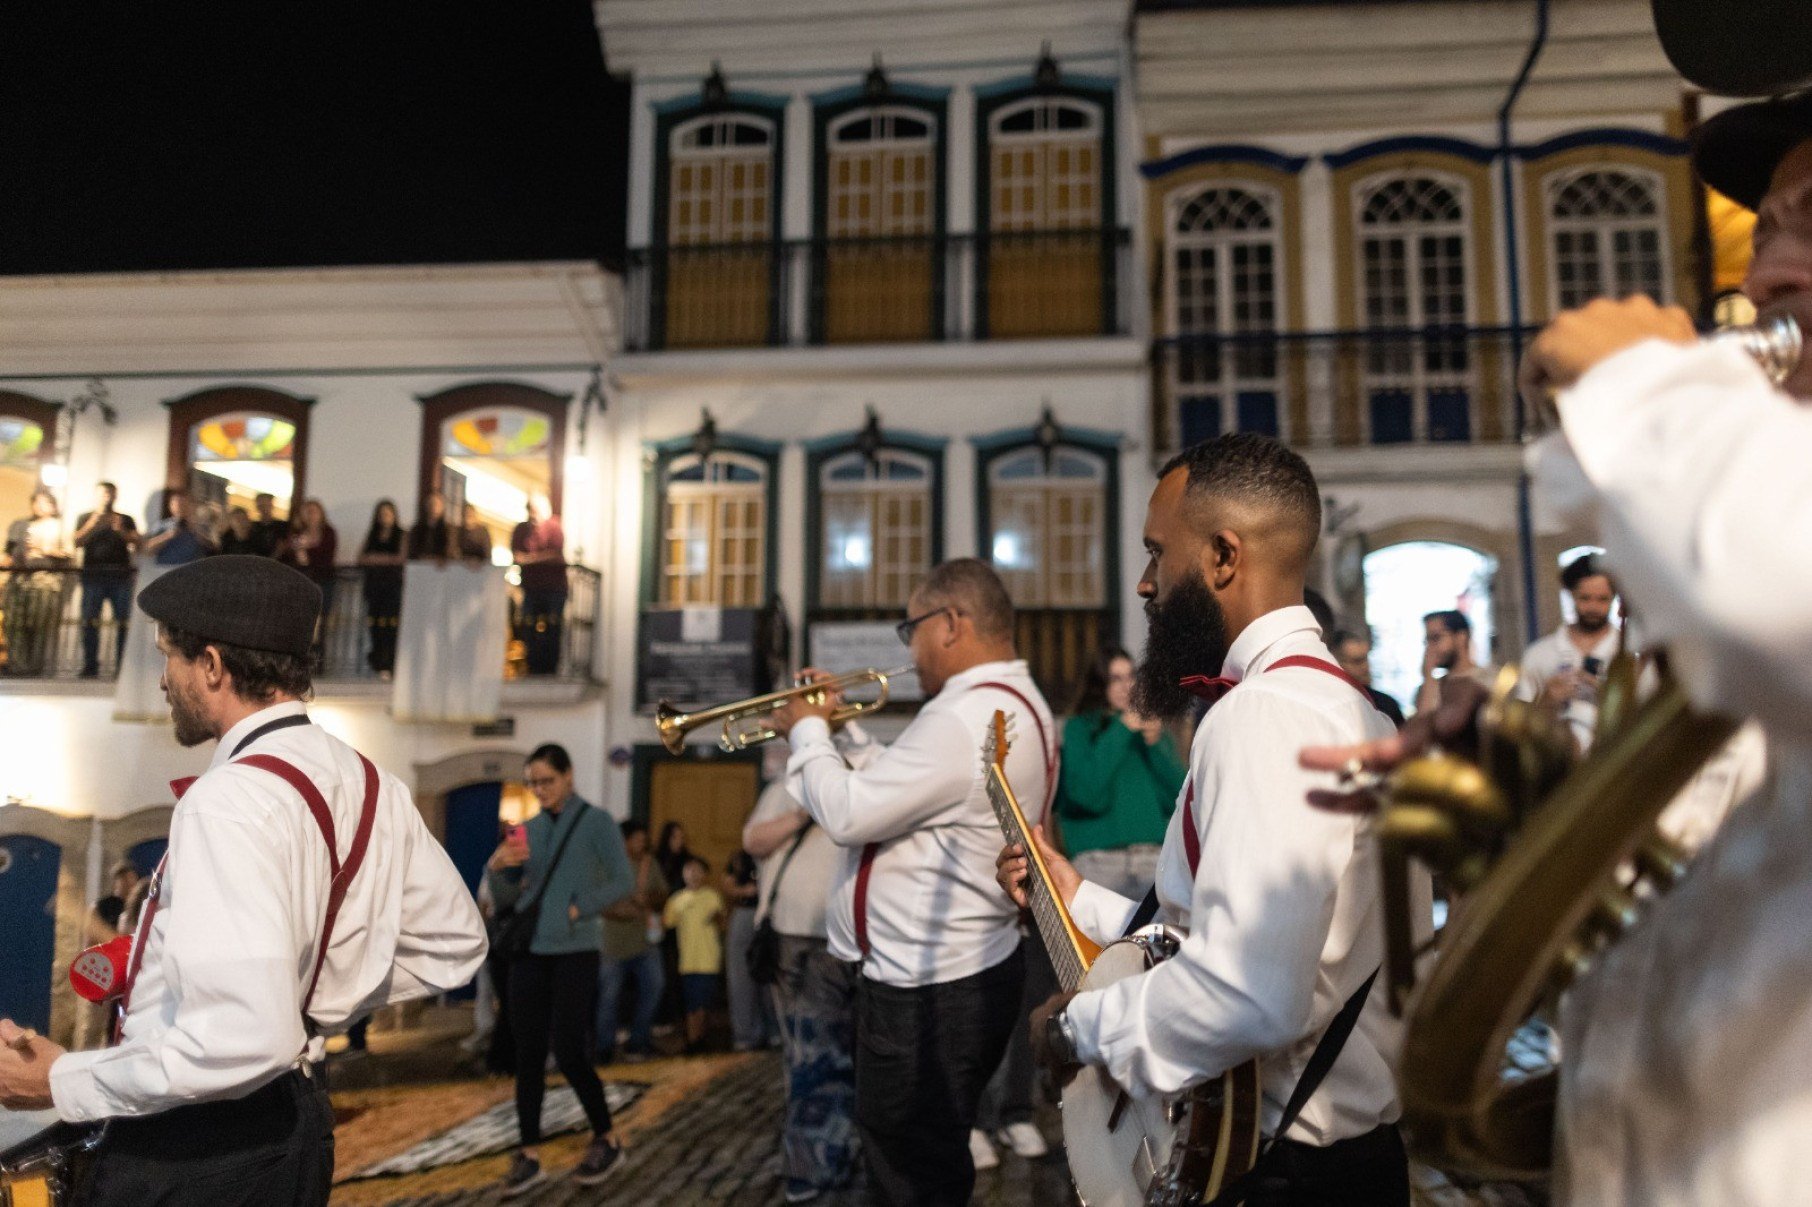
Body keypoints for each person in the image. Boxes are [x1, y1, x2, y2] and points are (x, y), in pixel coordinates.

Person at [998, 433, 1426, 1205]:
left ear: (1224, 556)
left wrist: (1077, 1030)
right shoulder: (1353, 713)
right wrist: (1078, 895)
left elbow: (1249, 992)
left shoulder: (1262, 716)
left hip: (1285, 1174)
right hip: (1340, 1162)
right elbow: (1227, 928)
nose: (1143, 582)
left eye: (1158, 553)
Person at [0, 555, 488, 1205]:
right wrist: (306, 1000)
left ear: (211, 665)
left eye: (166, 656)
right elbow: (456, 942)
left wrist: (62, 1079)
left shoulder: (227, 799)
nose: (162, 681)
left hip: (200, 1146)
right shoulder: (371, 781)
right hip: (295, 1124)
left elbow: (238, 1040)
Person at [770, 557, 1055, 1206]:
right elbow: (913, 789)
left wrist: (807, 730)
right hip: (960, 974)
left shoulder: (961, 717)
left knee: (907, 1173)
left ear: (951, 623)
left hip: (926, 992)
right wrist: (849, 734)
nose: (911, 648)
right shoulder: (1009, 703)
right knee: (927, 1161)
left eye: (912, 628)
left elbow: (847, 813)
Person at [484, 743, 632, 1197]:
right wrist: (495, 868)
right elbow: (509, 900)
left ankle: (606, 1136)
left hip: (574, 950)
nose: (540, 790)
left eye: (547, 781)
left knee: (569, 1051)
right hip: (529, 951)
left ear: (568, 776)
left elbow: (623, 880)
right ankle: (529, 1154)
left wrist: (579, 908)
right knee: (527, 1055)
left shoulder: (596, 822)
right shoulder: (524, 831)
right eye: (533, 782)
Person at [743, 743, 860, 1203]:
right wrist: (804, 811)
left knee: (831, 1054)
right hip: (793, 938)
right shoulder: (784, 788)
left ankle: (828, 1152)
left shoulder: (856, 787)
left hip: (841, 939)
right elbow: (753, 841)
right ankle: (812, 1165)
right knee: (809, 1056)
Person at [1053, 644, 1187, 898]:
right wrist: (1121, 729)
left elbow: (1177, 799)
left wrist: (1156, 745)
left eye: (1131, 676)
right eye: (1116, 679)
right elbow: (1086, 795)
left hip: (1151, 860)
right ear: (1099, 683)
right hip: (1100, 863)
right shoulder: (1079, 728)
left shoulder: (1149, 730)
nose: (1127, 686)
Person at [1515, 552, 1620, 753]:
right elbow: (1519, 723)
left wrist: (1610, 697)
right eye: (1585, 598)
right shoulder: (1539, 654)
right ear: (1571, 595)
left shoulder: (1631, 653)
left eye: (1602, 599)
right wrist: (1547, 700)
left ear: (1614, 597)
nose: (1593, 607)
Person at [596, 819, 668, 1064]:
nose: (641, 843)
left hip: (645, 942)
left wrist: (644, 899)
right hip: (613, 944)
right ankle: (604, 1046)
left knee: (655, 986)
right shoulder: (608, 866)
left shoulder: (650, 864)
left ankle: (639, 1040)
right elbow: (600, 903)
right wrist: (622, 910)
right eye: (636, 838)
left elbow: (662, 895)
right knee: (609, 996)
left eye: (643, 839)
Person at [3, 486, 74, 676]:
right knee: (14, 624)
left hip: (45, 582)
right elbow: (8, 553)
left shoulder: (60, 527)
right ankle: (18, 665)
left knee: (40, 626)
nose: (40, 506)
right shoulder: (20, 525)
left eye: (45, 502)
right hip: (18, 581)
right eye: (37, 502)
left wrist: (43, 549)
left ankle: (35, 668)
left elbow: (68, 554)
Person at [73, 481, 140, 678]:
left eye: (110, 494)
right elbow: (76, 541)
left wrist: (121, 531)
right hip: (93, 576)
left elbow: (138, 541)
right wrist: (93, 524)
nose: (107, 497)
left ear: (115, 496)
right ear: (96, 496)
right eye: (103, 494)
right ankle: (90, 666)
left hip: (120, 577)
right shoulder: (85, 517)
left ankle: (122, 667)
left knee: (122, 622)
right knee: (90, 621)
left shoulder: (125, 519)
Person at [74, 861, 142, 1050]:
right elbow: (89, 942)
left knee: (115, 1026)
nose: (130, 884)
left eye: (132, 880)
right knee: (92, 1027)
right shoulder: (101, 906)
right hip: (101, 974)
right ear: (116, 882)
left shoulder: (134, 909)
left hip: (123, 979)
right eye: (125, 880)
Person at [662, 854, 725, 1053]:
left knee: (704, 1003)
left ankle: (701, 1037)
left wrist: (718, 918)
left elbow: (722, 922)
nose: (694, 874)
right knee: (691, 1003)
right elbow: (666, 924)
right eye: (689, 870)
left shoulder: (712, 896)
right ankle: (692, 1040)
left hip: (709, 960)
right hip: (688, 962)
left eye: (698, 870)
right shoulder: (676, 900)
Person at [723, 846, 776, 1051]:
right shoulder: (740, 857)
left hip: (771, 915)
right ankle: (746, 1034)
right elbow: (727, 883)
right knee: (740, 977)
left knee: (770, 975)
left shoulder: (777, 852)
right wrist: (745, 891)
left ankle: (773, 1031)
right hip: (745, 912)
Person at [511, 492, 567, 676]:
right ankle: (532, 664)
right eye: (530, 510)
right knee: (528, 624)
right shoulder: (521, 530)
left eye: (535, 510)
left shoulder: (554, 527)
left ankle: (550, 666)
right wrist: (530, 559)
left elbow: (555, 552)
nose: (532, 514)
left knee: (552, 625)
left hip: (554, 588)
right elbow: (518, 555)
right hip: (531, 587)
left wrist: (531, 559)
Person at [280, 499, 338, 670]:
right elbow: (295, 557)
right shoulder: (297, 532)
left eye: (314, 511)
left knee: (320, 623)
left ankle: (317, 663)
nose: (310, 515)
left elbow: (325, 557)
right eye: (307, 511)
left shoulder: (328, 533)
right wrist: (301, 551)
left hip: (322, 581)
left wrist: (307, 551)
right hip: (301, 581)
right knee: (299, 621)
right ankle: (297, 662)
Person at [357, 500, 406, 678]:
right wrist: (385, 559)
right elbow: (361, 558)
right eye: (382, 513)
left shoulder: (401, 535)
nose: (385, 517)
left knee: (391, 625)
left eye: (388, 513)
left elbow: (400, 559)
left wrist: (376, 558)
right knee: (375, 625)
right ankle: (377, 660)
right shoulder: (372, 534)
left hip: (392, 587)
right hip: (374, 586)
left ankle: (390, 661)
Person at [1414, 609, 1493, 716]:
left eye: (1436, 638)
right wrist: (1428, 677)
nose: (1429, 648)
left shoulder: (1489, 680)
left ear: (1461, 637)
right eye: (1427, 641)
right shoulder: (1430, 688)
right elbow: (1423, 727)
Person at [1331, 628, 1406, 728]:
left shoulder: (1387, 706)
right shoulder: (1329, 706)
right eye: (1357, 661)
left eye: (1366, 659)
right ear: (1336, 664)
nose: (1366, 667)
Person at [141, 488, 211, 566]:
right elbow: (147, 550)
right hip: (166, 570)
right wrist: (167, 536)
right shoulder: (162, 525)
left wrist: (197, 530)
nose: (180, 507)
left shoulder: (201, 526)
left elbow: (211, 549)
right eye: (176, 503)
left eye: (184, 504)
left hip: (191, 570)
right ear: (171, 506)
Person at [407, 493, 454, 562]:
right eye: (430, 504)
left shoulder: (448, 528)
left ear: (442, 508)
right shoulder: (417, 528)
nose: (433, 508)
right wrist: (422, 557)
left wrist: (439, 558)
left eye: (437, 505)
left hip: (440, 566)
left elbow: (450, 549)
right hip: (420, 564)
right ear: (426, 507)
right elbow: (412, 548)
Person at [248, 492, 288, 558]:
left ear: (271, 505)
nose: (264, 508)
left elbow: (282, 546)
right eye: (261, 505)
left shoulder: (282, 526)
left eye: (266, 505)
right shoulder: (253, 526)